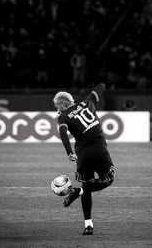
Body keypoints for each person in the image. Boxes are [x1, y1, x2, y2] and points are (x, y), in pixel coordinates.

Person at [53, 83, 115, 236]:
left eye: (57, 106)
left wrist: (69, 152)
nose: (57, 109)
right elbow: (101, 86)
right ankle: (77, 191)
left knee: (86, 185)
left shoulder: (63, 117)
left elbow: (63, 134)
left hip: (83, 153)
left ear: (63, 104)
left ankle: (88, 225)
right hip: (100, 149)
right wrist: (99, 89)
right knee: (108, 179)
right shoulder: (88, 101)